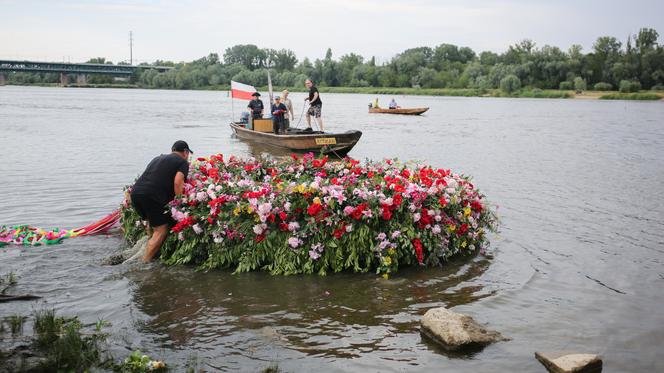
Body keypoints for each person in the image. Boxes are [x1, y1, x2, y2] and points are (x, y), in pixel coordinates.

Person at [130, 140, 193, 262]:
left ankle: (148, 244)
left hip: (136, 193)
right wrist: (180, 203)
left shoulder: (157, 158)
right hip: (152, 196)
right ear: (185, 152)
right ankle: (144, 263)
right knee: (161, 230)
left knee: (151, 222)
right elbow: (178, 181)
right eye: (188, 153)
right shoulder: (182, 162)